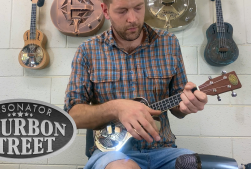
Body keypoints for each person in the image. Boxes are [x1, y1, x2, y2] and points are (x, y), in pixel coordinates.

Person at [64, 0, 208, 168]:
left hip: (163, 149)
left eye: (138, 8)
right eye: (122, 11)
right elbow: (72, 116)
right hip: (112, 153)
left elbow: (179, 106)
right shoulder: (87, 51)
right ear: (105, 10)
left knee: (193, 164)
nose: (132, 18)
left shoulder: (169, 43)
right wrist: (116, 108)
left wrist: (188, 104)